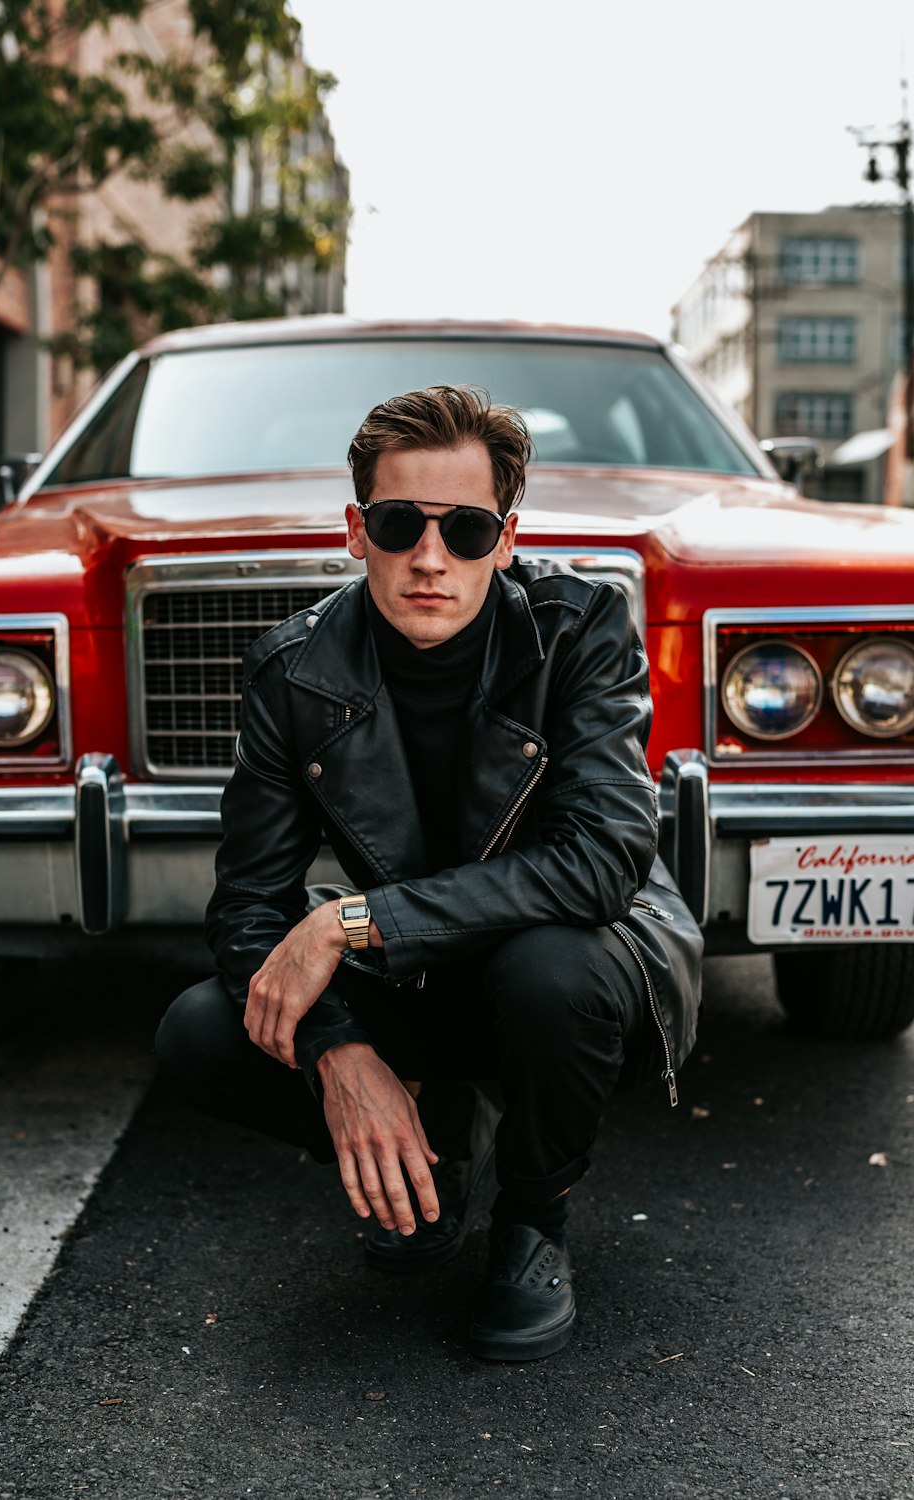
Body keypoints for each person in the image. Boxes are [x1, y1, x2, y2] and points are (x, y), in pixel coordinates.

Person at [156, 384, 703, 1362]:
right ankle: (431, 1149)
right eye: (400, 522)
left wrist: (348, 924)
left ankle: (533, 1220)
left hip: (576, 959)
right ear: (356, 528)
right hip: (420, 963)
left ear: (507, 535)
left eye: (466, 528)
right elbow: (246, 902)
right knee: (200, 1032)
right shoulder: (295, 670)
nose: (429, 556)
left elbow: (604, 862)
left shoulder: (581, 629)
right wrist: (338, 1053)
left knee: (551, 971)